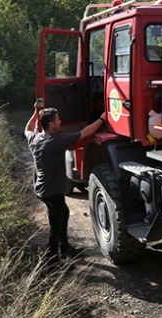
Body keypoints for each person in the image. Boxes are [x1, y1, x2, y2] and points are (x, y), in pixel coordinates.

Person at [25, 102, 105, 266]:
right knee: (55, 226)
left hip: (42, 189)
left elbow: (26, 128)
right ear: (51, 124)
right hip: (52, 192)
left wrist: (35, 112)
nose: (61, 122)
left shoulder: (35, 138)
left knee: (64, 213)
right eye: (58, 119)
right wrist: (102, 119)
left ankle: (65, 246)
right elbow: (85, 132)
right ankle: (52, 261)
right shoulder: (57, 141)